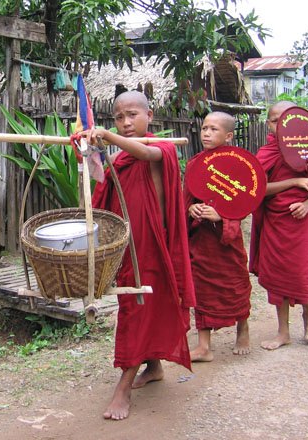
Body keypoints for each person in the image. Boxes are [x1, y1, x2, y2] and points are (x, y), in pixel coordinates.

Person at [83, 91, 194, 421]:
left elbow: (145, 153)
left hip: (152, 247)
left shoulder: (163, 148)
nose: (126, 122)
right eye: (118, 117)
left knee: (138, 311)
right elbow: (102, 188)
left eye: (132, 115)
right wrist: (89, 153)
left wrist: (107, 135)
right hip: (127, 246)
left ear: (150, 115)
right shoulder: (119, 159)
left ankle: (123, 389)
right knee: (139, 307)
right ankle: (155, 366)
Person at [249, 101, 308, 350]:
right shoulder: (266, 153)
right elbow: (257, 190)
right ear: (268, 124)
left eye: (285, 120)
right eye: (274, 120)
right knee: (278, 273)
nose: (280, 125)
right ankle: (283, 332)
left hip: (301, 221)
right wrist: (295, 181)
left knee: (301, 271)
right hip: (275, 221)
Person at [184, 111, 251, 362]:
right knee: (201, 288)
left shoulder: (239, 166)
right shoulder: (195, 164)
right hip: (201, 240)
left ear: (229, 135)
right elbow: (186, 199)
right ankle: (204, 346)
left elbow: (245, 202)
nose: (207, 134)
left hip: (227, 242)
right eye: (204, 129)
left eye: (214, 129)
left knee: (235, 284)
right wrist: (191, 209)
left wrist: (222, 216)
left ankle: (242, 327)